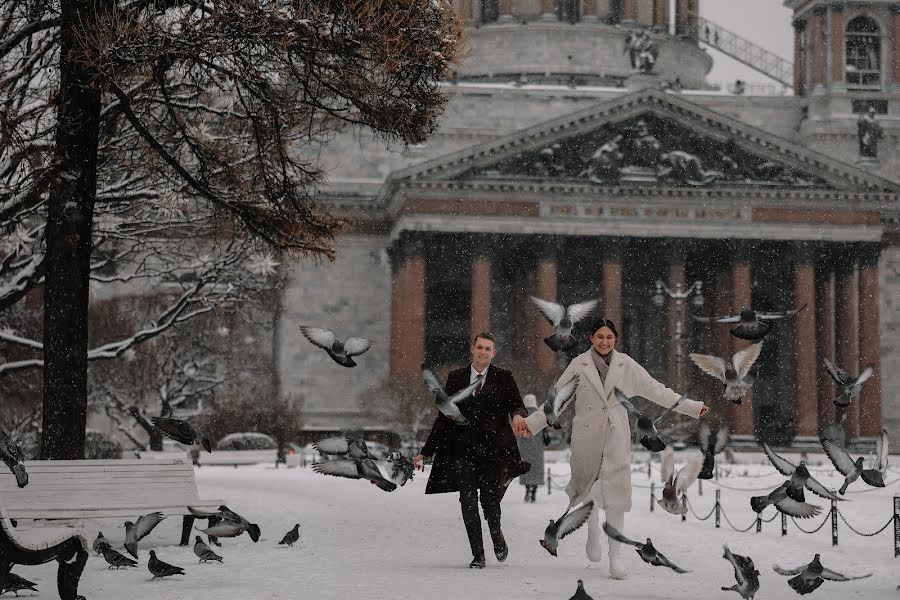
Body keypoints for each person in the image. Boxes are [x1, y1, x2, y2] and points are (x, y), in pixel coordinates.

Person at [520, 319, 709, 579]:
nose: (604, 342)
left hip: (615, 435)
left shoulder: (626, 365)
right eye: (600, 337)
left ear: (615, 339)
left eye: (609, 337)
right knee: (588, 489)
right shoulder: (579, 365)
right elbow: (556, 403)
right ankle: (593, 529)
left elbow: (656, 391)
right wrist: (532, 424)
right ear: (591, 337)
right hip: (586, 436)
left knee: (617, 496)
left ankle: (616, 556)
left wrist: (692, 407)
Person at [413, 333, 531, 569]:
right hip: (463, 449)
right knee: (467, 500)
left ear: (493, 353)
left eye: (488, 349)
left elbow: (516, 404)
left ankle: (496, 533)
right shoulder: (456, 377)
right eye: (480, 347)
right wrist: (425, 452)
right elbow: (444, 416)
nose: (483, 352)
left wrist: (518, 415)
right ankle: (478, 554)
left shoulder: (504, 377)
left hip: (493, 450)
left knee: (489, 500)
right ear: (473, 349)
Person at [516, 394, 547, 503]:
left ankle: (527, 491)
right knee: (536, 470)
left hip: (524, 450)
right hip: (537, 450)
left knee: (527, 470)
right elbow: (546, 438)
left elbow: (517, 433)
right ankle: (533, 493)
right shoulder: (540, 415)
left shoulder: (521, 416)